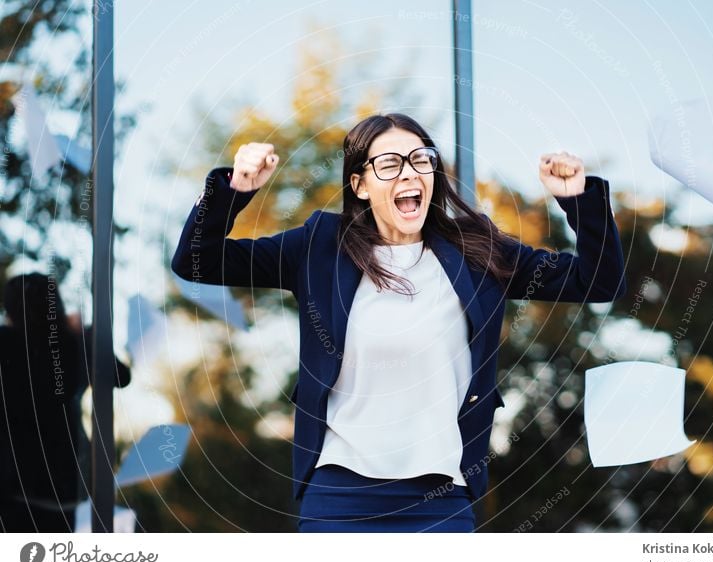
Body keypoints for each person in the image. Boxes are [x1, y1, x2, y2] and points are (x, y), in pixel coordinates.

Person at [172, 112, 626, 532]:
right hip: (338, 496)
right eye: (389, 163)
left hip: (440, 498)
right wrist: (235, 189)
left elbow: (597, 283)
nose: (409, 172)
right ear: (361, 184)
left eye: (420, 160)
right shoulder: (319, 247)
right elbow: (196, 262)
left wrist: (577, 201)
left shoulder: (479, 252)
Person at [0, 273, 131, 532]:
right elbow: (121, 376)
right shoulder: (72, 344)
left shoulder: (7, 342)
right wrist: (87, 335)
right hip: (63, 481)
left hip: (13, 481)